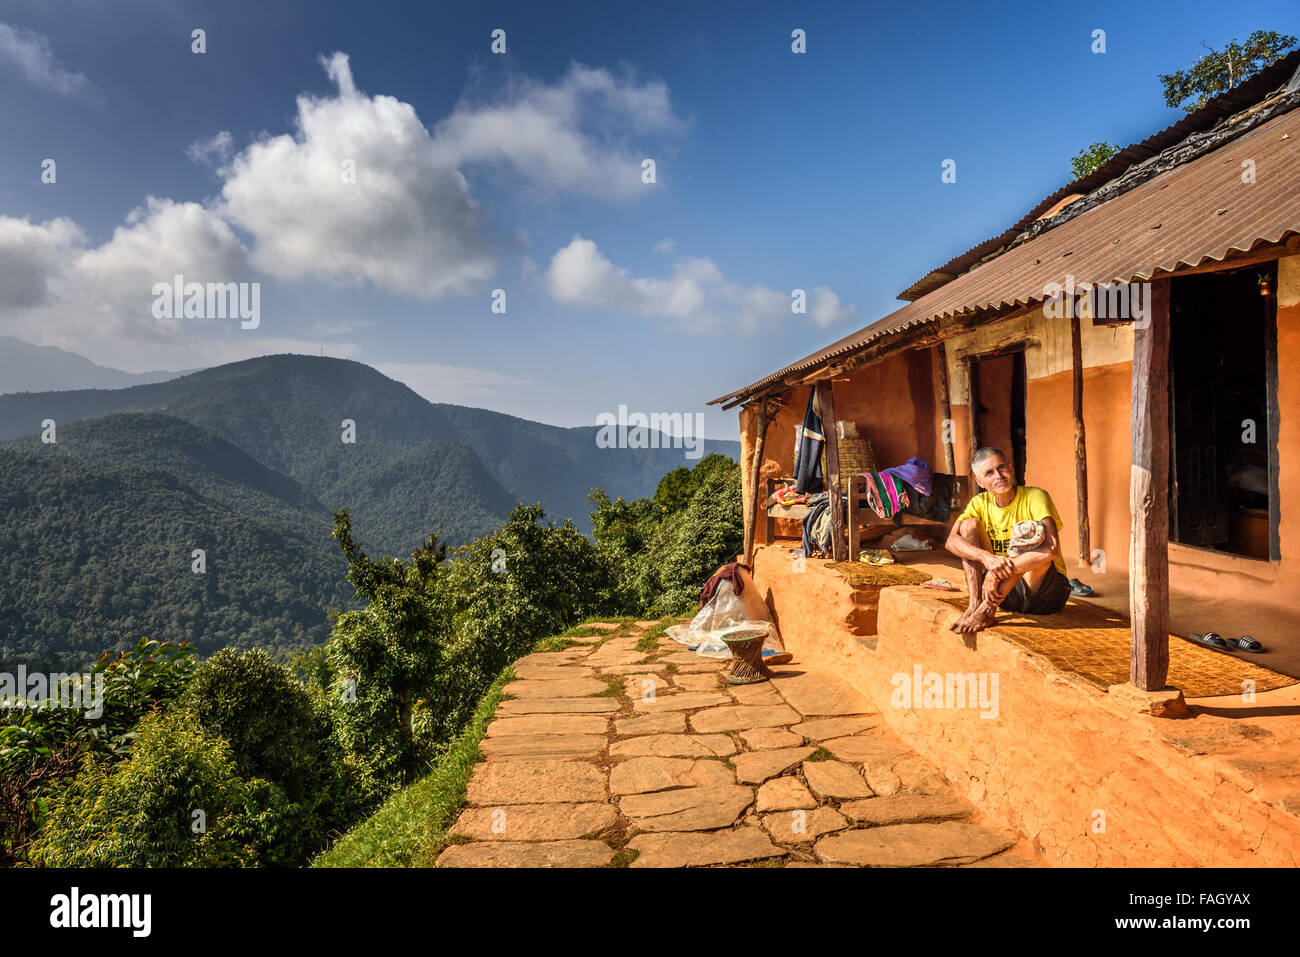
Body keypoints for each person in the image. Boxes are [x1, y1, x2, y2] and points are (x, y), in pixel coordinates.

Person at [945, 447, 1070, 634]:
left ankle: (987, 609)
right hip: (1005, 595)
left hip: (1045, 595)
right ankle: (975, 605)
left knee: (1028, 530)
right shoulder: (979, 503)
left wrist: (995, 573)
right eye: (989, 472)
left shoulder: (1035, 496)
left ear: (1010, 469)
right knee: (967, 526)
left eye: (1001, 468)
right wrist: (987, 558)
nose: (999, 475)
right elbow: (951, 542)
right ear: (980, 482)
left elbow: (1051, 549)